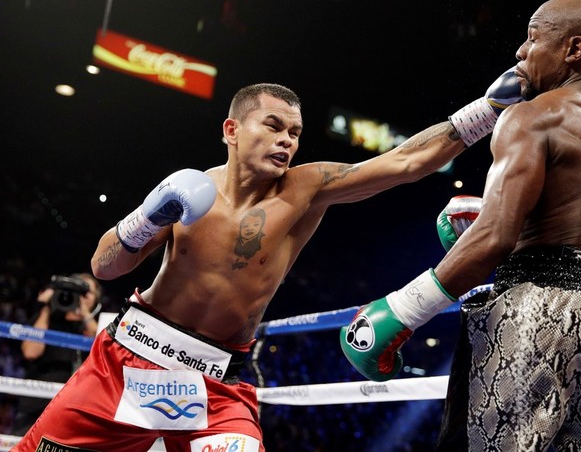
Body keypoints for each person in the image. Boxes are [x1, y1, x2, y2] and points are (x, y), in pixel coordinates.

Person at [12, 71, 522, 451]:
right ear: (232, 129)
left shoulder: (305, 190)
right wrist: (145, 220)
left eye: (295, 133)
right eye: (273, 126)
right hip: (122, 362)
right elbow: (105, 268)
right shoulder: (189, 190)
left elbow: (407, 162)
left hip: (214, 385)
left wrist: (487, 107)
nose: (287, 140)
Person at [340, 0, 581, 451]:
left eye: (533, 38)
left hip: (537, 318)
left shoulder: (528, 116)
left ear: (573, 50)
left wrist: (402, 310)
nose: (520, 52)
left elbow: (494, 238)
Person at [12, 273, 102, 436]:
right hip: (36, 405)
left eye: (86, 292)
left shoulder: (98, 326)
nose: (80, 296)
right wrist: (46, 308)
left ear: (96, 299)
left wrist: (84, 314)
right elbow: (31, 352)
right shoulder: (46, 319)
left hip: (75, 409)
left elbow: (104, 350)